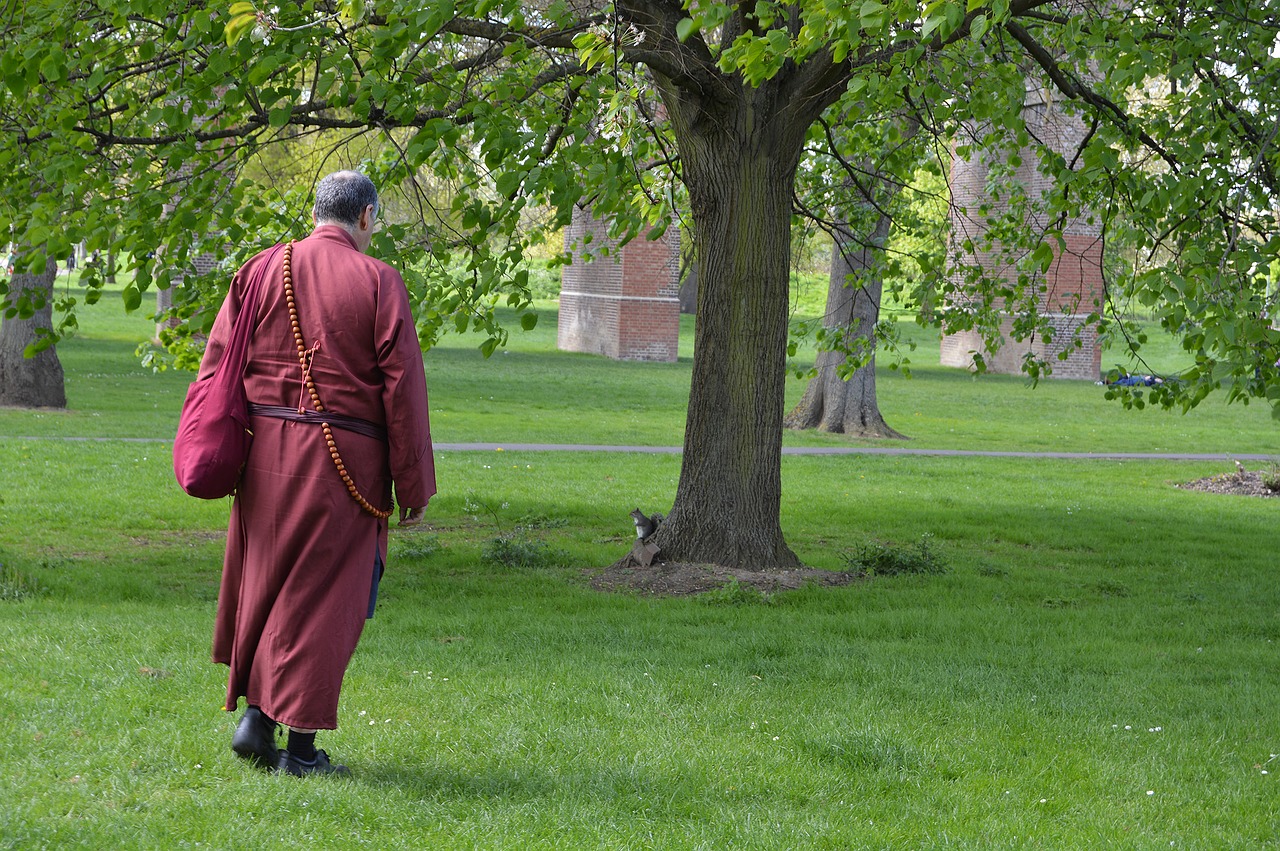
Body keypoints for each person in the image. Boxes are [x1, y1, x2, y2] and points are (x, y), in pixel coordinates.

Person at [198, 171, 436, 776]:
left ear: (315, 214)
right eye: (375, 221)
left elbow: (218, 365)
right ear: (365, 217)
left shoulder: (259, 269)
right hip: (342, 465)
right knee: (326, 601)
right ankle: (300, 754)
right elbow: (403, 390)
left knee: (268, 587)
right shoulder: (378, 279)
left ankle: (256, 721)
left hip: (265, 460)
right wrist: (413, 483)